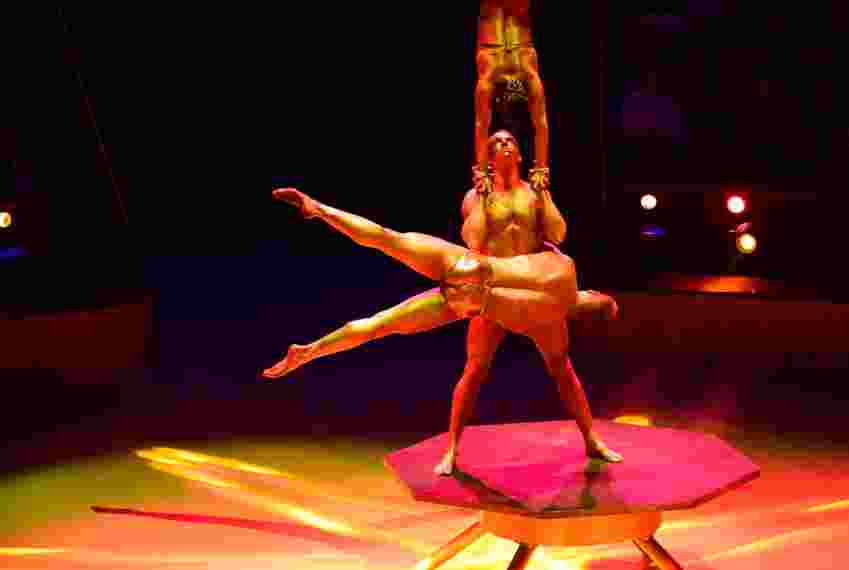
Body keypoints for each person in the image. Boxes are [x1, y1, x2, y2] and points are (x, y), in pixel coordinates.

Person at [264, 137, 621, 474]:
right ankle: (451, 447)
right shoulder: (477, 197)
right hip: (476, 278)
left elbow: (557, 234)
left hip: (487, 292)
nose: (504, 143)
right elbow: (473, 239)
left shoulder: (537, 197)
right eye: (495, 141)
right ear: (485, 159)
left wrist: (543, 195)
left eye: (509, 140)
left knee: (560, 369)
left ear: (521, 155)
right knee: (463, 361)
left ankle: (590, 439)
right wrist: (483, 199)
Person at [330, 0, 679, 193]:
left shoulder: (489, 80)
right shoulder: (528, 75)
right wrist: (541, 166)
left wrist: (480, 169)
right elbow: (541, 123)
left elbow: (482, 124)